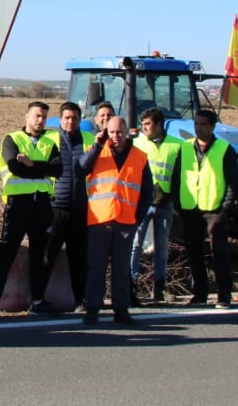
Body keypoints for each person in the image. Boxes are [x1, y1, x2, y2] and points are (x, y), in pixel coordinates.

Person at [0, 101, 61, 319]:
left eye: (44, 117)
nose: (41, 120)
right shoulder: (12, 139)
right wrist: (40, 169)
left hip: (42, 206)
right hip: (18, 204)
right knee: (7, 253)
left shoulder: (51, 140)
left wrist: (31, 164)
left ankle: (37, 301)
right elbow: (14, 167)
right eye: (37, 116)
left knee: (39, 256)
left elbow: (58, 168)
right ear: (26, 116)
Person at [81, 116, 155, 325]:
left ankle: (120, 309)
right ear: (106, 132)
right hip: (99, 219)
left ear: (127, 132)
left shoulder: (139, 156)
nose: (115, 136)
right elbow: (81, 169)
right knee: (96, 267)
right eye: (112, 132)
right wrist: (96, 145)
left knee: (121, 269)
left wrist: (136, 218)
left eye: (119, 132)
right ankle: (93, 308)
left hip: (125, 221)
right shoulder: (96, 150)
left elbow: (147, 192)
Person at [168, 109, 238, 308]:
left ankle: (223, 295)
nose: (199, 128)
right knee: (194, 253)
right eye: (196, 124)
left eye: (203, 124)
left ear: (212, 126)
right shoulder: (185, 148)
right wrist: (178, 204)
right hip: (190, 208)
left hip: (214, 209)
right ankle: (199, 293)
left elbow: (234, 182)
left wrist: (224, 207)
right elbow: (176, 178)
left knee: (219, 253)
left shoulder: (225, 149)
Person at [43, 102, 95, 310]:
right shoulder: (50, 139)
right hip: (55, 206)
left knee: (78, 258)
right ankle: (38, 299)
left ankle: (80, 300)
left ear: (80, 120)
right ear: (60, 119)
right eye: (66, 118)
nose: (70, 121)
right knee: (48, 256)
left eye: (74, 118)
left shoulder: (89, 140)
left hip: (81, 207)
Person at [130, 109, 180, 304]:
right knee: (136, 245)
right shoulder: (136, 144)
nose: (144, 128)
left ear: (159, 124)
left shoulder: (177, 145)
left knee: (161, 247)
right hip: (142, 203)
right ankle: (131, 286)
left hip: (164, 203)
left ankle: (159, 288)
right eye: (142, 125)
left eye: (148, 124)